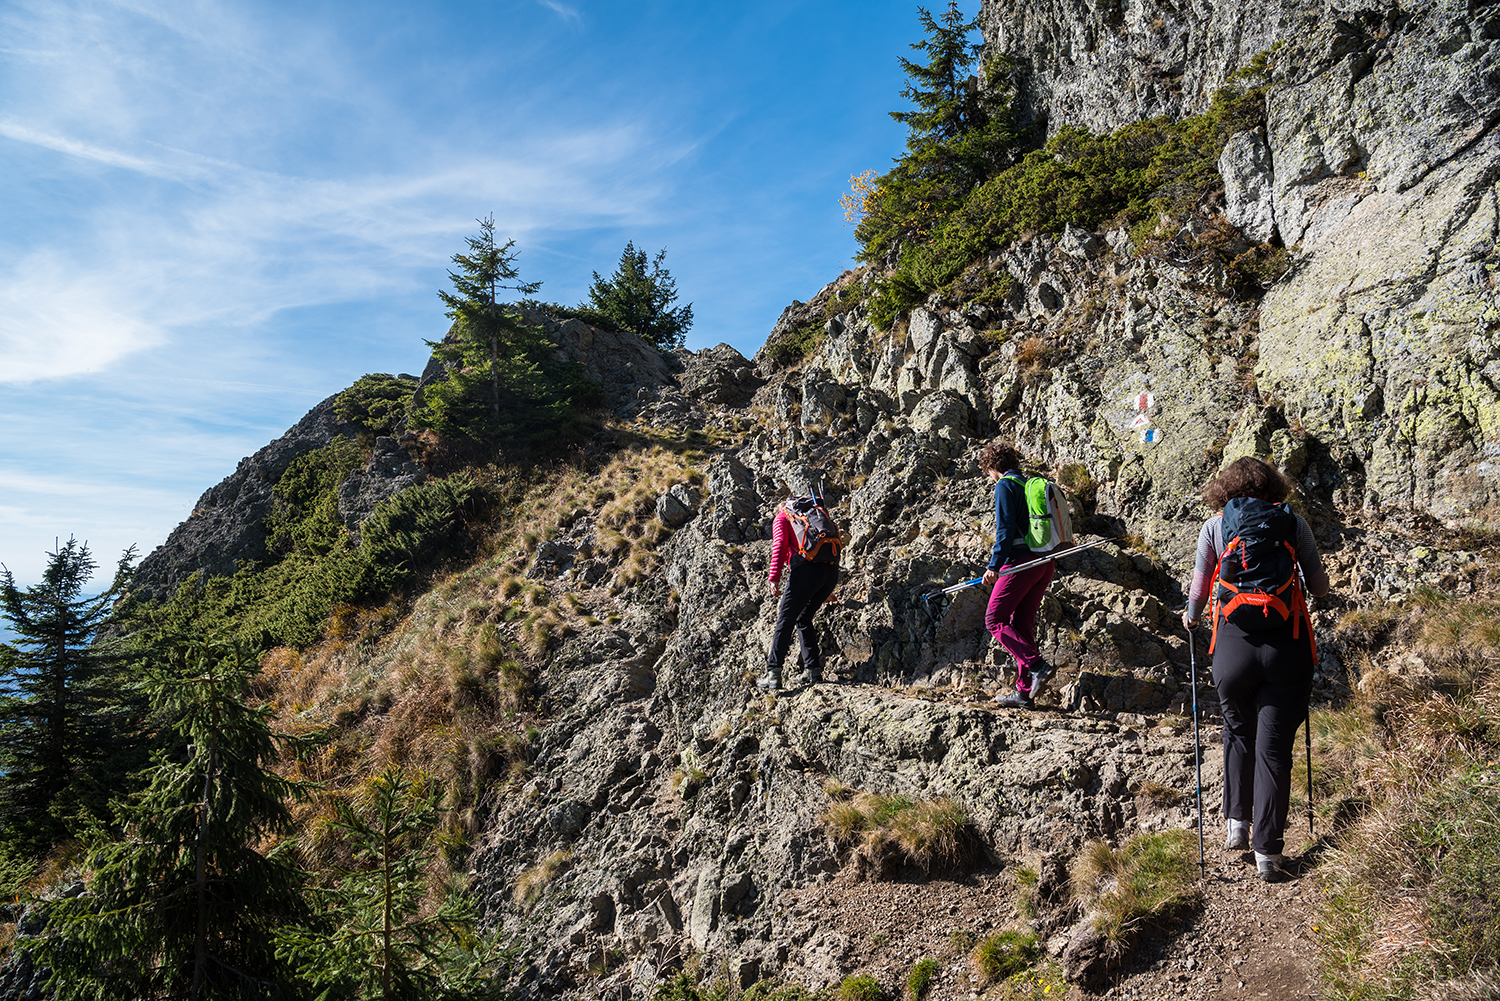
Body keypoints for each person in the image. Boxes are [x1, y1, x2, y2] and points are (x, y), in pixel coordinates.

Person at [1181, 456, 1329, 882]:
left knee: (1236, 729)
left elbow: (1199, 587)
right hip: (1288, 646)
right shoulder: (1293, 524)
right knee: (1275, 748)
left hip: (1232, 649)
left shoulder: (1214, 526)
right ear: (1274, 488)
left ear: (1225, 490)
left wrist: (1191, 615)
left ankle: (1236, 824)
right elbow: (1318, 587)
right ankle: (1269, 852)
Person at [977, 442, 1055, 709]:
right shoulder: (1028, 483)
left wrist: (994, 565)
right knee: (1021, 625)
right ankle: (1024, 693)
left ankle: (1037, 666)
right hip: (1044, 562)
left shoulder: (1004, 485)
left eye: (987, 471)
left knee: (994, 619)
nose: (989, 476)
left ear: (992, 466)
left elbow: (1005, 529)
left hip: (1020, 563)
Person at [756, 483, 840, 692]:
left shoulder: (783, 517)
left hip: (806, 570)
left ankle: (773, 673)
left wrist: (774, 578)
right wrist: (825, 588)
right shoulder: (814, 517)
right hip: (830, 571)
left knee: (785, 619)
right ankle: (812, 670)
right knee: (803, 617)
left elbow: (780, 544)